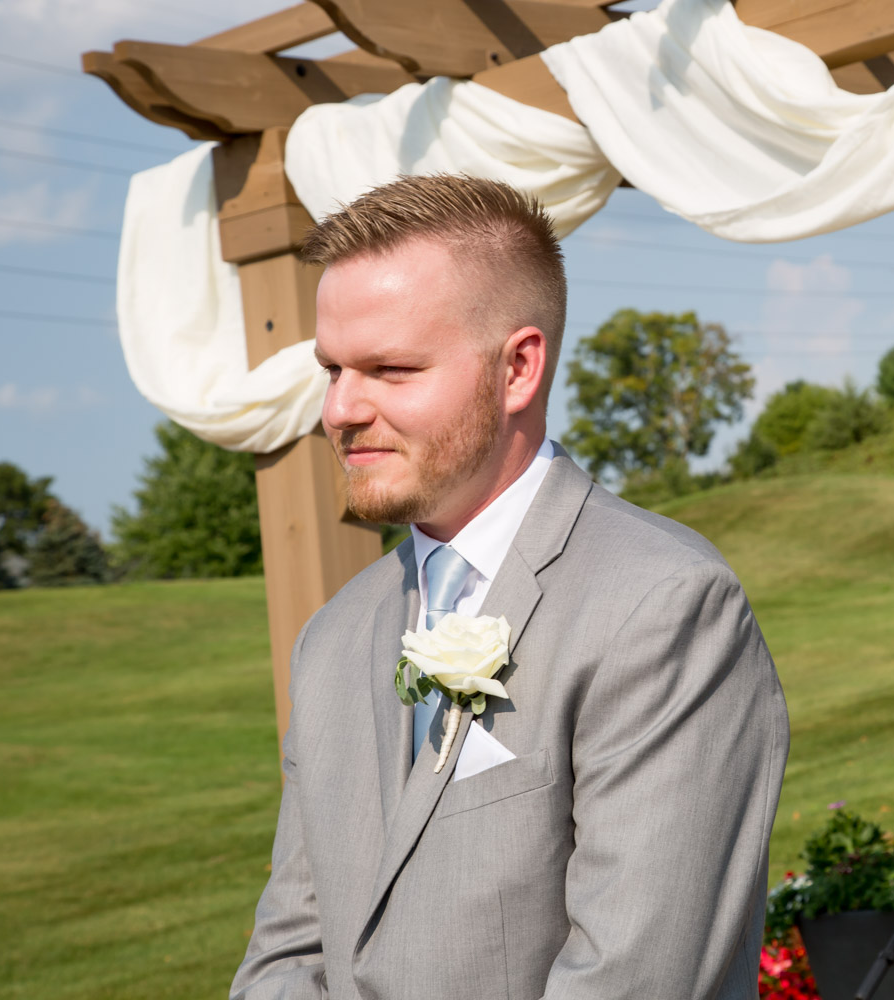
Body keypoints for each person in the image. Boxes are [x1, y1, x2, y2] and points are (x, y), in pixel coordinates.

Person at [230, 175, 790, 1000]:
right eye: (333, 369)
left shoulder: (664, 607)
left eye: (390, 367)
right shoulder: (332, 638)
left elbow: (634, 979)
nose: (341, 409)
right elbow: (287, 953)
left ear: (518, 368)